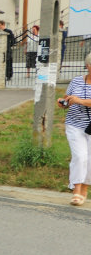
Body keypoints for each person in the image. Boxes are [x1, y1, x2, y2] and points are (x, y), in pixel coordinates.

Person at [57, 53, 91, 206]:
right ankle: (76, 190)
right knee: (80, 156)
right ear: (88, 66)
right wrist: (64, 102)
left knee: (90, 160)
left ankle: (84, 189)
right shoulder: (77, 80)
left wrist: (81, 101)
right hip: (75, 124)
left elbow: (80, 100)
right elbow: (68, 97)